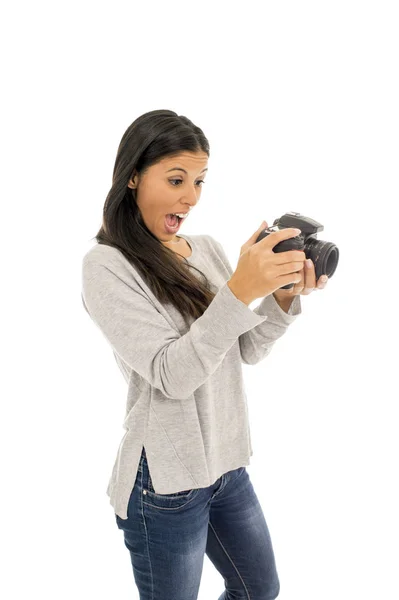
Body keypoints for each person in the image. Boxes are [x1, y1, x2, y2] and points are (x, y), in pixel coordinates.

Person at [81, 109, 328, 600]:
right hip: (166, 482)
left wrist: (280, 297)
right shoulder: (106, 266)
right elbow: (171, 375)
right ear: (133, 176)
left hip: (226, 462)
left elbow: (248, 351)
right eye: (176, 179)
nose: (190, 196)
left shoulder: (208, 249)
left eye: (199, 181)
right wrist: (238, 292)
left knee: (259, 589)